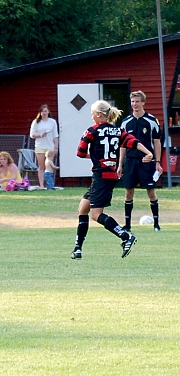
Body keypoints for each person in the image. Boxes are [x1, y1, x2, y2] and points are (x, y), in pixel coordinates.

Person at [72, 100, 152, 260]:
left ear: (99, 115)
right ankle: (78, 248)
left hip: (101, 175)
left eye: (92, 113)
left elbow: (80, 152)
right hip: (110, 176)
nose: (91, 116)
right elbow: (133, 142)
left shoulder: (91, 131)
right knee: (83, 208)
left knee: (96, 214)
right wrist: (148, 153)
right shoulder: (118, 131)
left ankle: (125, 236)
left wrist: (95, 157)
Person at [119, 91, 163, 232]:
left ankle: (156, 224)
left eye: (137, 101)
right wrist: (120, 164)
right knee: (128, 192)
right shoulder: (125, 122)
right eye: (132, 102)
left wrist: (157, 161)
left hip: (147, 162)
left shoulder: (151, 121)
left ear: (143, 102)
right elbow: (122, 145)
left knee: (151, 192)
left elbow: (157, 142)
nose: (134, 104)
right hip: (131, 161)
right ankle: (127, 225)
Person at [29, 104, 59, 189]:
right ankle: (41, 185)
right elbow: (32, 134)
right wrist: (41, 135)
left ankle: (49, 184)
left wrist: (56, 147)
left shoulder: (52, 122)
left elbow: (55, 135)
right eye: (42, 111)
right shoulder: (36, 122)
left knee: (49, 166)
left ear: (48, 112)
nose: (44, 113)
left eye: (45, 111)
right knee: (41, 166)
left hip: (50, 146)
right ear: (40, 113)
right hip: (40, 146)